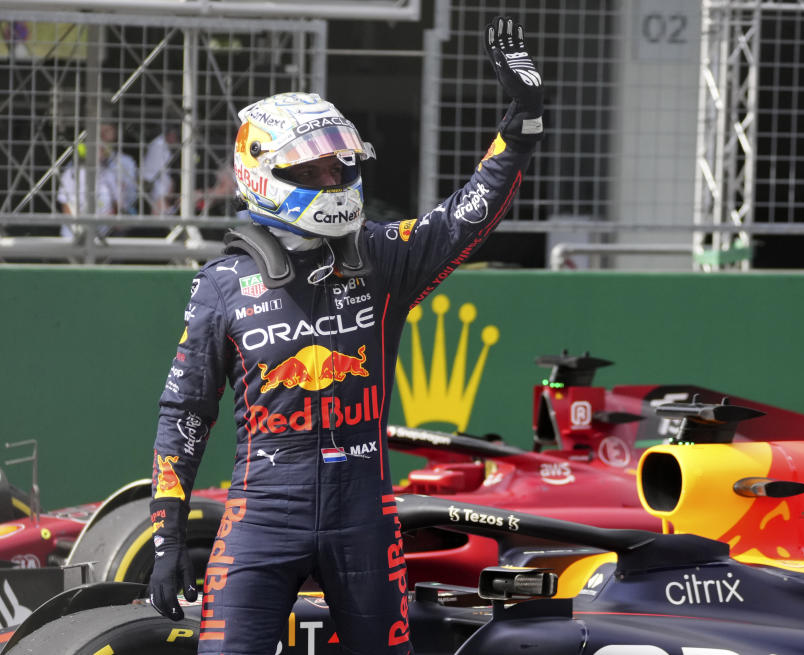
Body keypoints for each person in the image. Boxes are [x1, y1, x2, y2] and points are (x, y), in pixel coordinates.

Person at [146, 15, 543, 655]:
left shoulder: (385, 257)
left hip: (364, 516)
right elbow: (186, 413)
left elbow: (469, 213)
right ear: (262, 174)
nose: (335, 182)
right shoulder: (221, 284)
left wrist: (520, 124)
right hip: (261, 514)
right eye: (316, 170)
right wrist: (167, 535)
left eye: (340, 167)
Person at [57, 122, 138, 237]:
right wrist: (80, 230)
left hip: (105, 234)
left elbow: (119, 206)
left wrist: (112, 216)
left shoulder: (111, 174)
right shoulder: (71, 173)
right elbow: (67, 206)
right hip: (75, 235)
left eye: (101, 148)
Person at [141, 125, 180, 215]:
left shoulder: (163, 146)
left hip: (159, 187)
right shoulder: (158, 146)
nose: (176, 141)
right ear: (170, 135)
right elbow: (158, 173)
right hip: (155, 185)